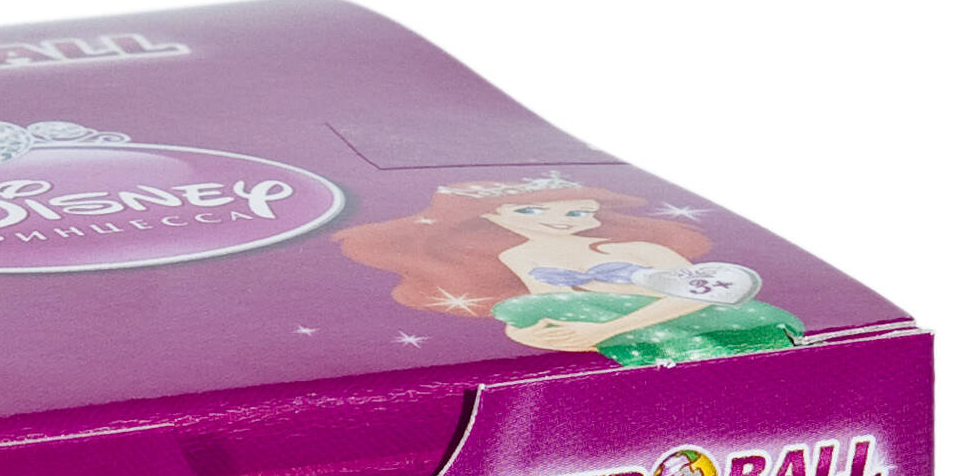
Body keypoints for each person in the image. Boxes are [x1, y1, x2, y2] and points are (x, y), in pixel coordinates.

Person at [336, 175, 802, 365]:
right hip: (613, 337)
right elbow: (556, 310)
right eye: (529, 212)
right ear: (496, 216)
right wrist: (538, 334)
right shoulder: (520, 258)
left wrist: (606, 330)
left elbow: (699, 298)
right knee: (519, 315)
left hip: (694, 322)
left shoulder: (639, 247)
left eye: (578, 212)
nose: (559, 220)